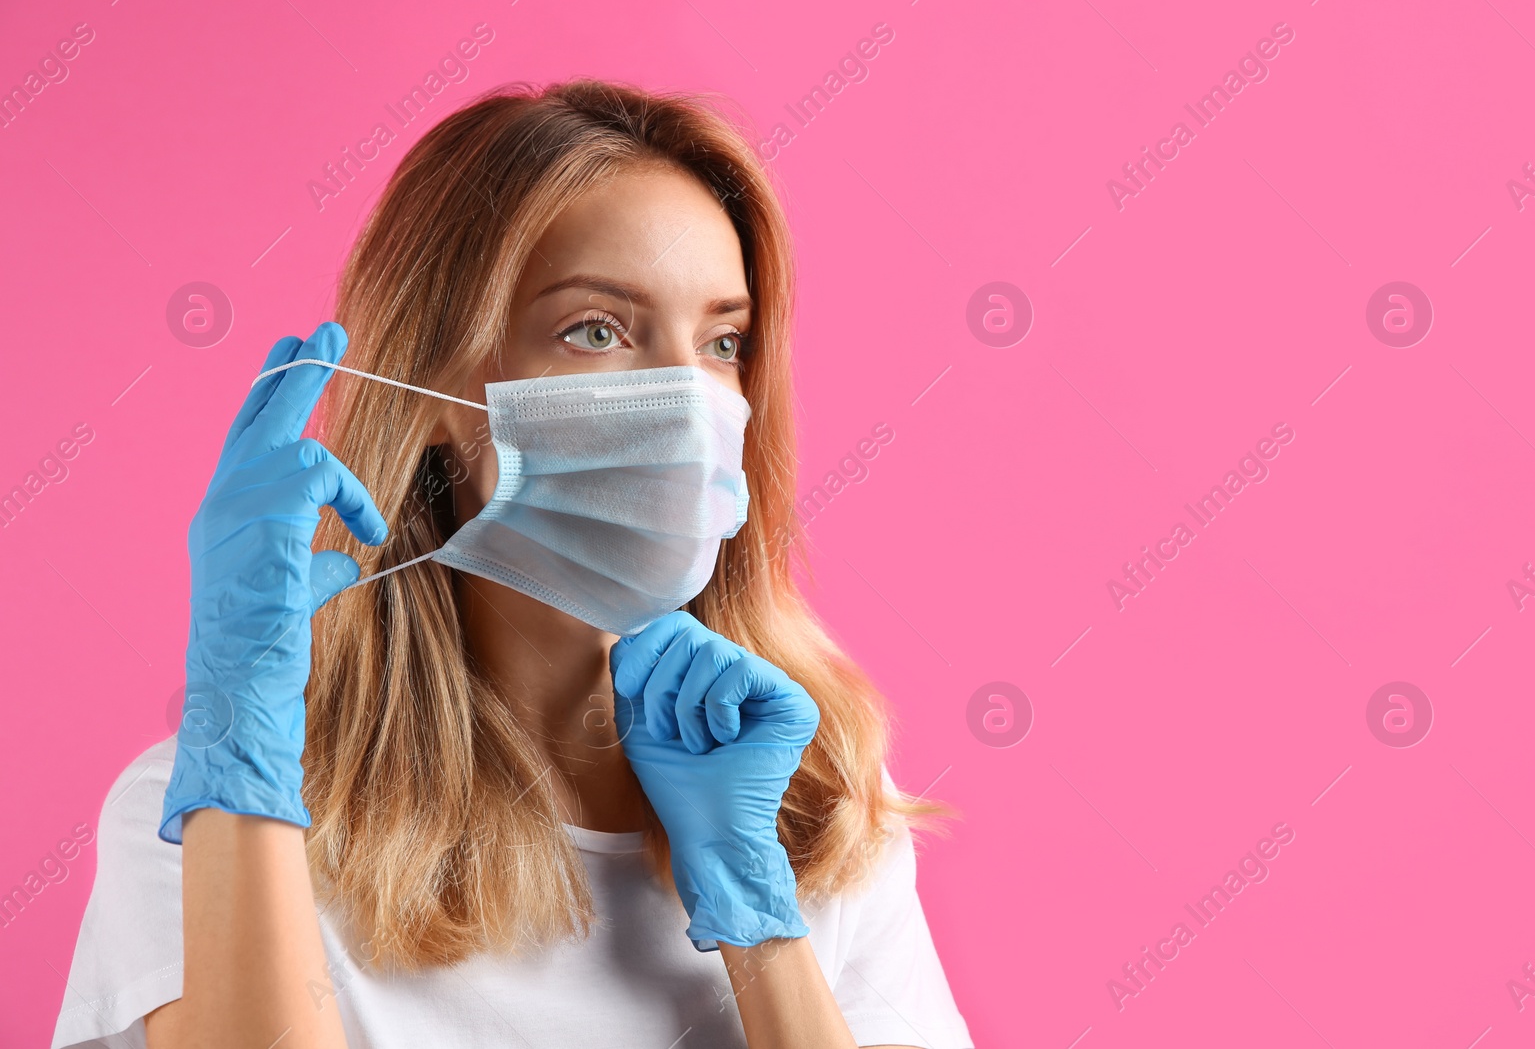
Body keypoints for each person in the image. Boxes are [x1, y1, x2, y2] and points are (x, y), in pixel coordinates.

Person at [50, 80, 972, 1049]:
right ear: (442, 390)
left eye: (722, 341)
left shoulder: (820, 816)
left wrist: (761, 922)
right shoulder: (196, 819)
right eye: (597, 330)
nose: (686, 397)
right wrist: (243, 758)